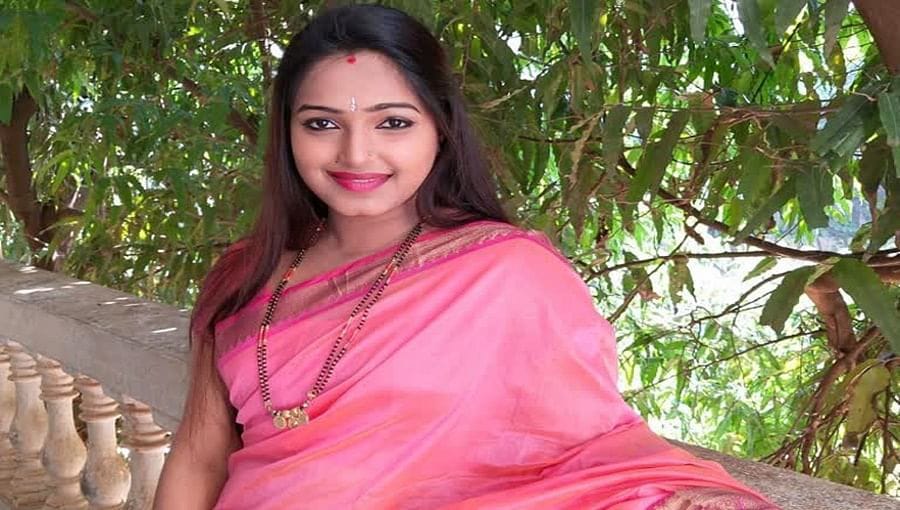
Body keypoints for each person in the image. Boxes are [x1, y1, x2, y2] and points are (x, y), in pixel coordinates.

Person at [154, 4, 778, 509]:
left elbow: (583, 448)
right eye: (321, 124)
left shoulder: (508, 275)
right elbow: (199, 455)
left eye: (393, 123)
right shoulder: (244, 274)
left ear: (441, 127)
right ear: (287, 132)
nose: (356, 153)